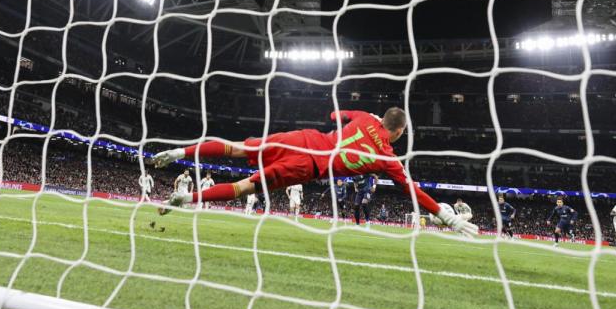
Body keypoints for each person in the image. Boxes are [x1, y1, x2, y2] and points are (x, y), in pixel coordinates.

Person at [150, 108, 477, 236]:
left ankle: (181, 151)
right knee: (243, 188)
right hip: (309, 165)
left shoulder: (364, 118)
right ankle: (188, 197)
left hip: (305, 138)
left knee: (237, 147)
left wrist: (359, 119)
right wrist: (445, 216)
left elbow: (337, 113)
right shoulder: (388, 158)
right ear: (400, 132)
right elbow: (412, 191)